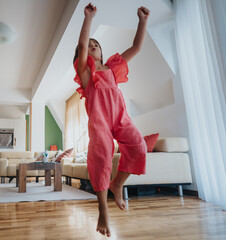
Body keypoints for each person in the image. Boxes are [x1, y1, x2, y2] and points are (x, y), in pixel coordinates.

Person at [73, 3, 150, 237]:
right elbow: (82, 44)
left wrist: (142, 21)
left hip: (120, 118)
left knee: (139, 147)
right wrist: (88, 18)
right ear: (83, 55)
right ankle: (102, 208)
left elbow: (136, 47)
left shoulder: (113, 68)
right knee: (101, 157)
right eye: (91, 46)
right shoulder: (86, 73)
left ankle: (117, 184)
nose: (94, 46)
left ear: (103, 53)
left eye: (98, 45)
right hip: (100, 123)